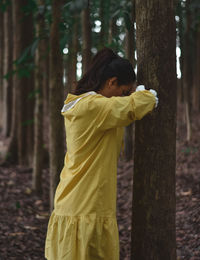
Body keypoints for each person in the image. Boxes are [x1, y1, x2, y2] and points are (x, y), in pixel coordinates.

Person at [45, 48, 158, 260]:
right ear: (111, 83)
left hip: (86, 204)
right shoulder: (92, 106)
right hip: (84, 206)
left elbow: (124, 106)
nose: (125, 97)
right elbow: (134, 106)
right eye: (124, 91)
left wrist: (131, 96)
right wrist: (146, 95)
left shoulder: (92, 106)